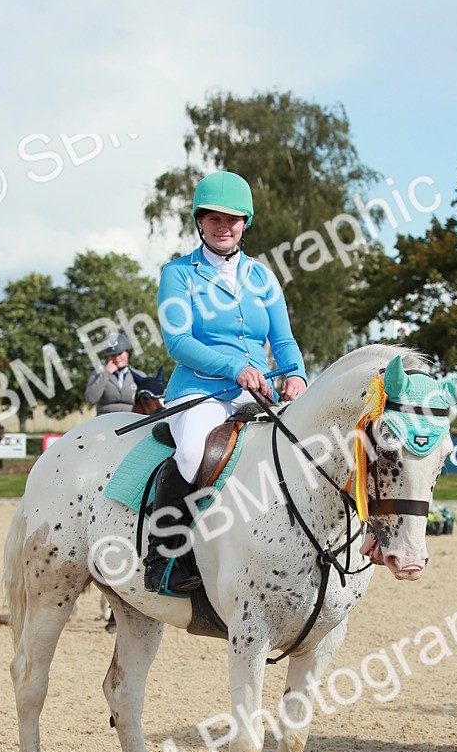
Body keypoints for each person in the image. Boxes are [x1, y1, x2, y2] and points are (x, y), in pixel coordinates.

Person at [143, 170, 308, 594]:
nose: (223, 226)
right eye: (213, 218)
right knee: (194, 453)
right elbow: (178, 342)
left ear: (245, 224)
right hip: (202, 391)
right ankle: (164, 561)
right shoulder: (178, 273)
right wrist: (233, 369)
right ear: (199, 222)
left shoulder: (263, 277)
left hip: (262, 392)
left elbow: (283, 339)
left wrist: (297, 374)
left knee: (307, 449)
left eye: (232, 219)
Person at [85, 334, 148, 415]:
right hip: (105, 420)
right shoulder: (98, 374)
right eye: (113, 355)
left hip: (132, 418)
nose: (117, 358)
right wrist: (106, 374)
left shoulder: (141, 375)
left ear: (128, 353)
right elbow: (91, 398)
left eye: (120, 353)